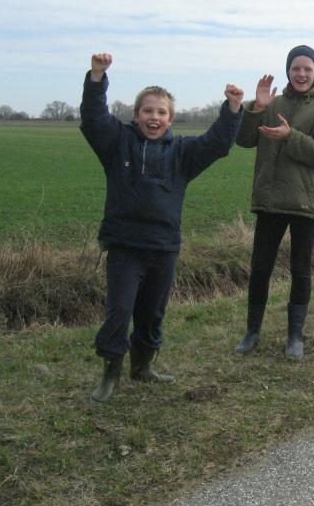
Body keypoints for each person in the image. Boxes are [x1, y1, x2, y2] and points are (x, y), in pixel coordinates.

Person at [80, 53, 243, 403]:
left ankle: (142, 367)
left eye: (161, 112)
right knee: (119, 312)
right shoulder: (117, 143)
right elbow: (94, 120)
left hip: (164, 247)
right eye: (147, 111)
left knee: (153, 313)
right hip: (125, 247)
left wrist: (232, 109)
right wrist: (96, 78)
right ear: (136, 114)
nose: (154, 117)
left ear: (170, 119)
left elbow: (216, 144)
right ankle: (110, 374)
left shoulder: (182, 153)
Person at [234, 45, 314, 359]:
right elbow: (244, 140)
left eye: (307, 69)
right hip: (270, 199)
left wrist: (289, 136)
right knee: (260, 268)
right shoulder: (274, 102)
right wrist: (257, 108)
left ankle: (295, 336)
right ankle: (252, 332)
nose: (301, 74)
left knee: (300, 269)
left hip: (306, 201)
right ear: (288, 71)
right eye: (296, 68)